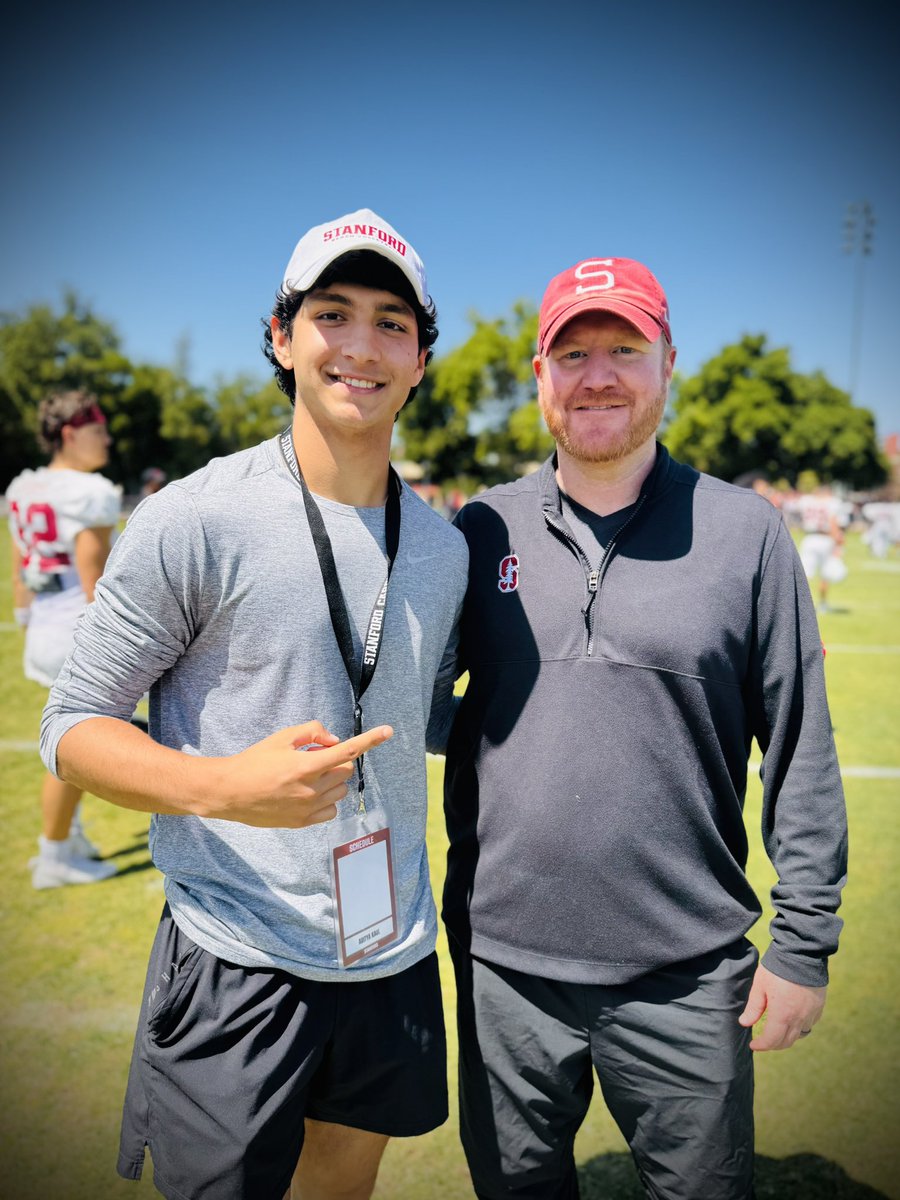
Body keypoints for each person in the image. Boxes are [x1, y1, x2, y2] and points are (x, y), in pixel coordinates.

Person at [40, 208, 468, 1200]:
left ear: (420, 360)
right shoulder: (193, 518)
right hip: (237, 955)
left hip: (391, 947)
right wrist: (225, 786)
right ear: (283, 337)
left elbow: (431, 713)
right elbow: (71, 729)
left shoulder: (445, 546)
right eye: (333, 313)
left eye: (392, 324)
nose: (361, 345)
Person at [434, 257, 848, 1199]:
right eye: (571, 353)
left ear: (668, 362)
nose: (598, 375)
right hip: (506, 966)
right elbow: (419, 706)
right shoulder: (478, 531)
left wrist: (804, 943)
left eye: (624, 348)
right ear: (540, 378)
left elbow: (799, 747)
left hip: (687, 972)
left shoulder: (748, 533)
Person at [6, 390, 121, 888]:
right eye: (99, 430)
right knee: (74, 750)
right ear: (71, 434)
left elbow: (19, 572)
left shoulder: (25, 485)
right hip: (76, 628)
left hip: (42, 627)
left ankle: (66, 839)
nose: (108, 439)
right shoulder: (87, 490)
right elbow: (95, 580)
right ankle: (54, 854)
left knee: (65, 740)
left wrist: (27, 621)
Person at [792, 483, 849, 612]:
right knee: (825, 574)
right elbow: (833, 523)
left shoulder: (807, 501)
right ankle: (822, 604)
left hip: (809, 538)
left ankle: (798, 604)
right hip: (825, 539)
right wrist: (838, 543)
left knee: (804, 574)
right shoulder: (832, 502)